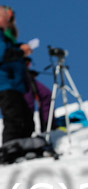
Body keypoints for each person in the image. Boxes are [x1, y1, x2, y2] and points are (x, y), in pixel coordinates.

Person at [0, 5, 34, 145]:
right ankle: (10, 148)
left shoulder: (5, 37)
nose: (8, 19)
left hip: (15, 84)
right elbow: (2, 54)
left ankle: (23, 146)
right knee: (14, 118)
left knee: (25, 118)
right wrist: (20, 52)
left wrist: (22, 54)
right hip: (5, 84)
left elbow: (8, 51)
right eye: (5, 16)